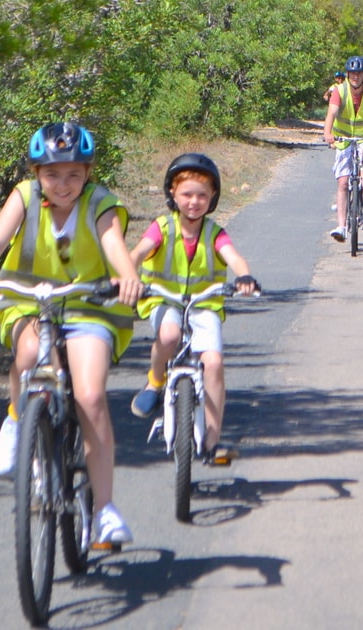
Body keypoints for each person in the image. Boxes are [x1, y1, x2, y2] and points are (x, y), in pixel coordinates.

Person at [0, 122, 143, 546]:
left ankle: (105, 509)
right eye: (52, 174)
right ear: (36, 173)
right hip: (29, 300)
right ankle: (17, 421)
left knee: (90, 397)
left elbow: (113, 247)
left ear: (88, 173)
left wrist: (127, 278)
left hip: (90, 303)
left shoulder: (100, 203)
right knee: (31, 351)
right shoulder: (23, 197)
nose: (63, 184)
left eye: (74, 174)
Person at [128, 153, 259, 465]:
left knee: (213, 363)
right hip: (165, 300)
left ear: (213, 197)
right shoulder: (161, 227)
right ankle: (155, 380)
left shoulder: (215, 232)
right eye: (187, 194)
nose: (194, 202)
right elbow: (137, 253)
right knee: (169, 335)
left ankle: (213, 442)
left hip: (203, 306)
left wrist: (244, 276)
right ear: (172, 194)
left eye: (202, 195)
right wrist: (127, 277)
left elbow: (234, 257)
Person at [322, 55, 363, 242]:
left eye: (359, 73)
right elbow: (331, 113)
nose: (355, 77)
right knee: (343, 182)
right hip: (344, 139)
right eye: (352, 73)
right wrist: (328, 133)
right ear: (347, 74)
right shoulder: (339, 90)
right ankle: (341, 226)